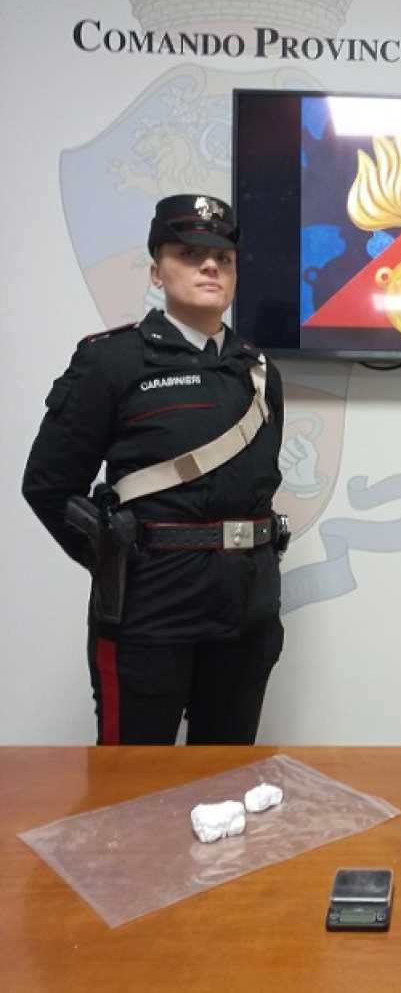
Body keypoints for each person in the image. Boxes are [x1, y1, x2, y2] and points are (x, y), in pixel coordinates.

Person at [22, 194, 287, 745]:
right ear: (156, 271)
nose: (210, 266)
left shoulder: (259, 371)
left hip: (246, 610)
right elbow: (48, 484)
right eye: (189, 254)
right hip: (150, 608)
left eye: (223, 257)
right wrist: (111, 559)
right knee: (132, 780)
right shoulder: (112, 361)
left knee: (226, 776)